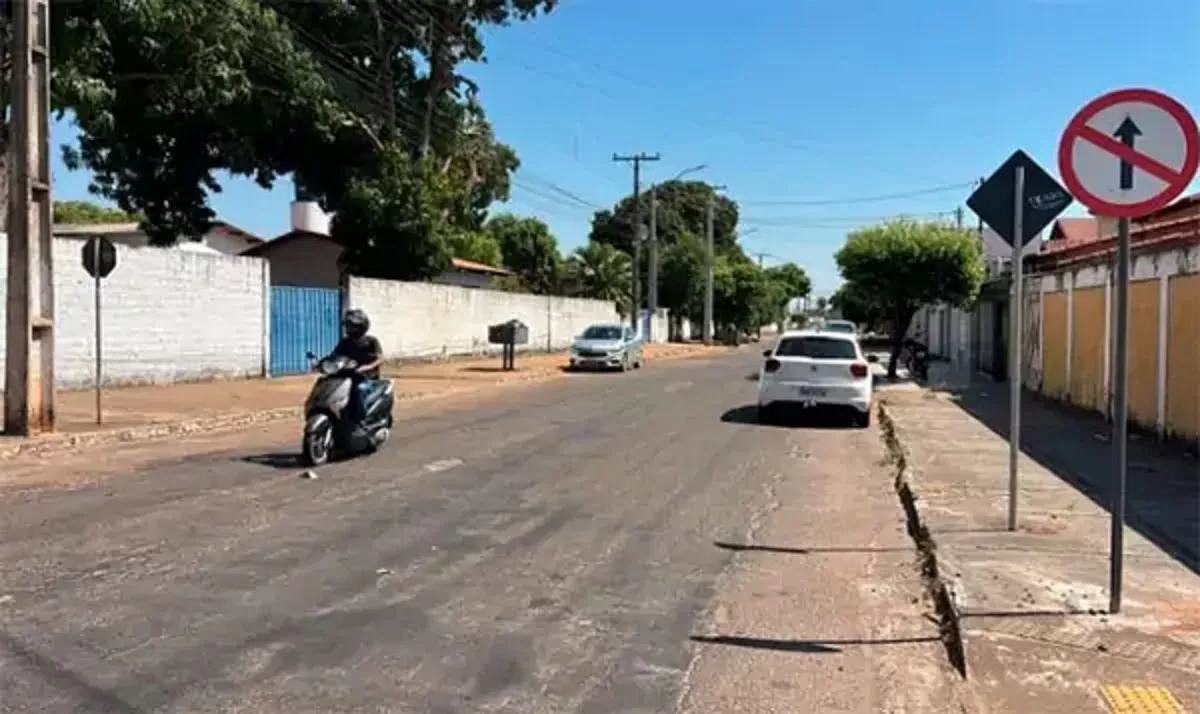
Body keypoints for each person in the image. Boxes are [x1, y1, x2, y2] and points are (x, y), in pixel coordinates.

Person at [332, 309, 383, 418]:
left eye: (352, 326)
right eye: (347, 326)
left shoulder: (371, 341)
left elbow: (380, 358)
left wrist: (368, 367)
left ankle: (362, 419)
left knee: (360, 389)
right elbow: (334, 356)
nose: (348, 329)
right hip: (347, 376)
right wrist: (322, 363)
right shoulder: (345, 342)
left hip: (367, 377)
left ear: (362, 326)